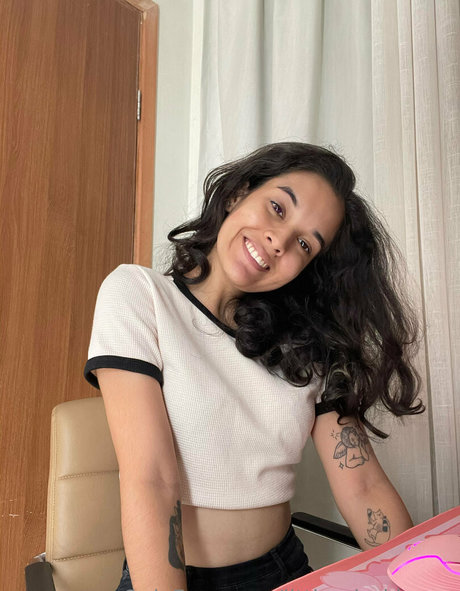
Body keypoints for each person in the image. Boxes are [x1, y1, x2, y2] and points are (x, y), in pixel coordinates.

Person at [84, 142, 424, 591]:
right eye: (278, 208)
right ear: (237, 193)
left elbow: (362, 486)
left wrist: (417, 578)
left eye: (304, 244)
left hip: (283, 570)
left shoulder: (307, 346)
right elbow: (152, 479)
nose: (279, 241)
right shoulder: (139, 294)